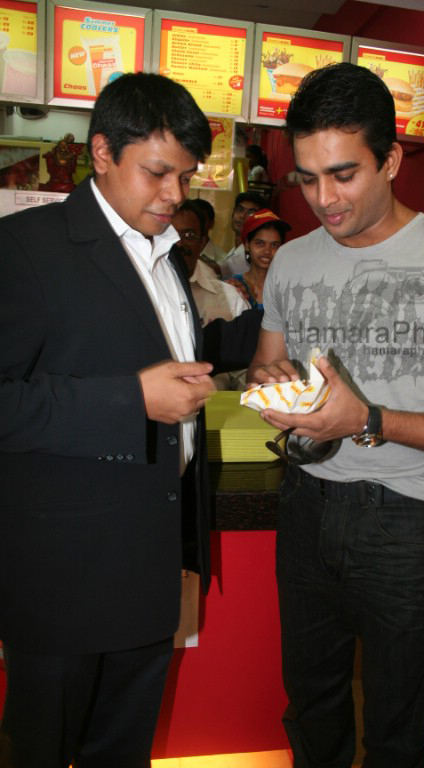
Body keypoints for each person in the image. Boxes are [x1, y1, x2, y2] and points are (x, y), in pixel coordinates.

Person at [246, 62, 424, 768]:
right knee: (312, 704)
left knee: (396, 727)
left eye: (343, 174)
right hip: (303, 508)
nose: (322, 200)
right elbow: (269, 365)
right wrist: (275, 389)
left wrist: (368, 420)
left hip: (404, 520)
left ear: (391, 160)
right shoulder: (295, 262)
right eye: (306, 178)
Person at [0, 72, 261, 768]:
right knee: (43, 749)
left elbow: (171, 354)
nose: (176, 196)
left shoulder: (164, 254)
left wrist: (257, 346)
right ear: (103, 152)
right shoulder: (27, 248)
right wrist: (132, 401)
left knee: (124, 749)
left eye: (186, 176)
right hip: (64, 575)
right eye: (158, 173)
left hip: (148, 564)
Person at [173, 199, 250, 325]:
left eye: (189, 235)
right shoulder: (142, 292)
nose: (178, 243)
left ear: (202, 242)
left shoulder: (230, 300)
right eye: (170, 234)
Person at [227, 208, 290, 310]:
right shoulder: (233, 287)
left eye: (274, 245)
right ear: (247, 245)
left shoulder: (288, 289)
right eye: (260, 243)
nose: (267, 251)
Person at [220, 191, 266, 278]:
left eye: (250, 213)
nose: (242, 216)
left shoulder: (253, 255)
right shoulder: (234, 250)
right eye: (240, 210)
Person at [193, 197, 226, 275]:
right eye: (193, 219)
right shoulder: (175, 253)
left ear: (211, 224)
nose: (195, 224)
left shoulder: (222, 261)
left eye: (202, 220)